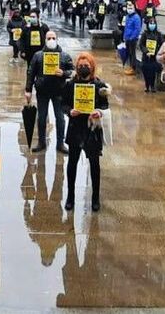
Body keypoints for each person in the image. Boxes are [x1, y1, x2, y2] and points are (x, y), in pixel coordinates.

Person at [61, 53, 110, 212]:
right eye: (80, 66)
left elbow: (105, 105)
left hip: (92, 128)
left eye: (86, 66)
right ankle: (70, 196)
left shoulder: (99, 85)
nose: (83, 68)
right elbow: (63, 104)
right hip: (75, 127)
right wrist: (70, 111)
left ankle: (95, 197)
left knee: (94, 164)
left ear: (92, 67)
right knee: (72, 163)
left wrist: (98, 112)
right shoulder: (71, 85)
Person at [25, 30, 73, 154]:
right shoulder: (38, 55)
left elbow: (72, 71)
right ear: (45, 40)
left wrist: (64, 73)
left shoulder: (64, 56)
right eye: (49, 38)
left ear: (57, 39)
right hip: (42, 91)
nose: (51, 40)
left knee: (60, 118)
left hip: (59, 91)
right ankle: (41, 142)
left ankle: (60, 143)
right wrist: (28, 89)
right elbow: (31, 72)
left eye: (53, 38)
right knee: (41, 118)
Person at [138, 19, 164, 93]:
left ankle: (152, 86)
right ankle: (147, 85)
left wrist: (158, 51)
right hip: (146, 57)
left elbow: (162, 44)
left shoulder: (158, 34)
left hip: (154, 57)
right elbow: (141, 44)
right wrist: (146, 51)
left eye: (153, 23)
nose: (152, 25)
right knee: (145, 71)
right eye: (150, 23)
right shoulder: (145, 34)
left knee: (152, 72)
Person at [122, 2, 141, 76]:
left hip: (132, 39)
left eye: (131, 8)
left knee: (132, 54)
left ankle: (133, 68)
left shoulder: (136, 17)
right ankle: (131, 66)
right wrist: (124, 37)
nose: (129, 9)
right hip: (127, 38)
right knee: (129, 53)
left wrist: (132, 37)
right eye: (128, 8)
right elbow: (126, 28)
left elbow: (137, 29)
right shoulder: (127, 16)